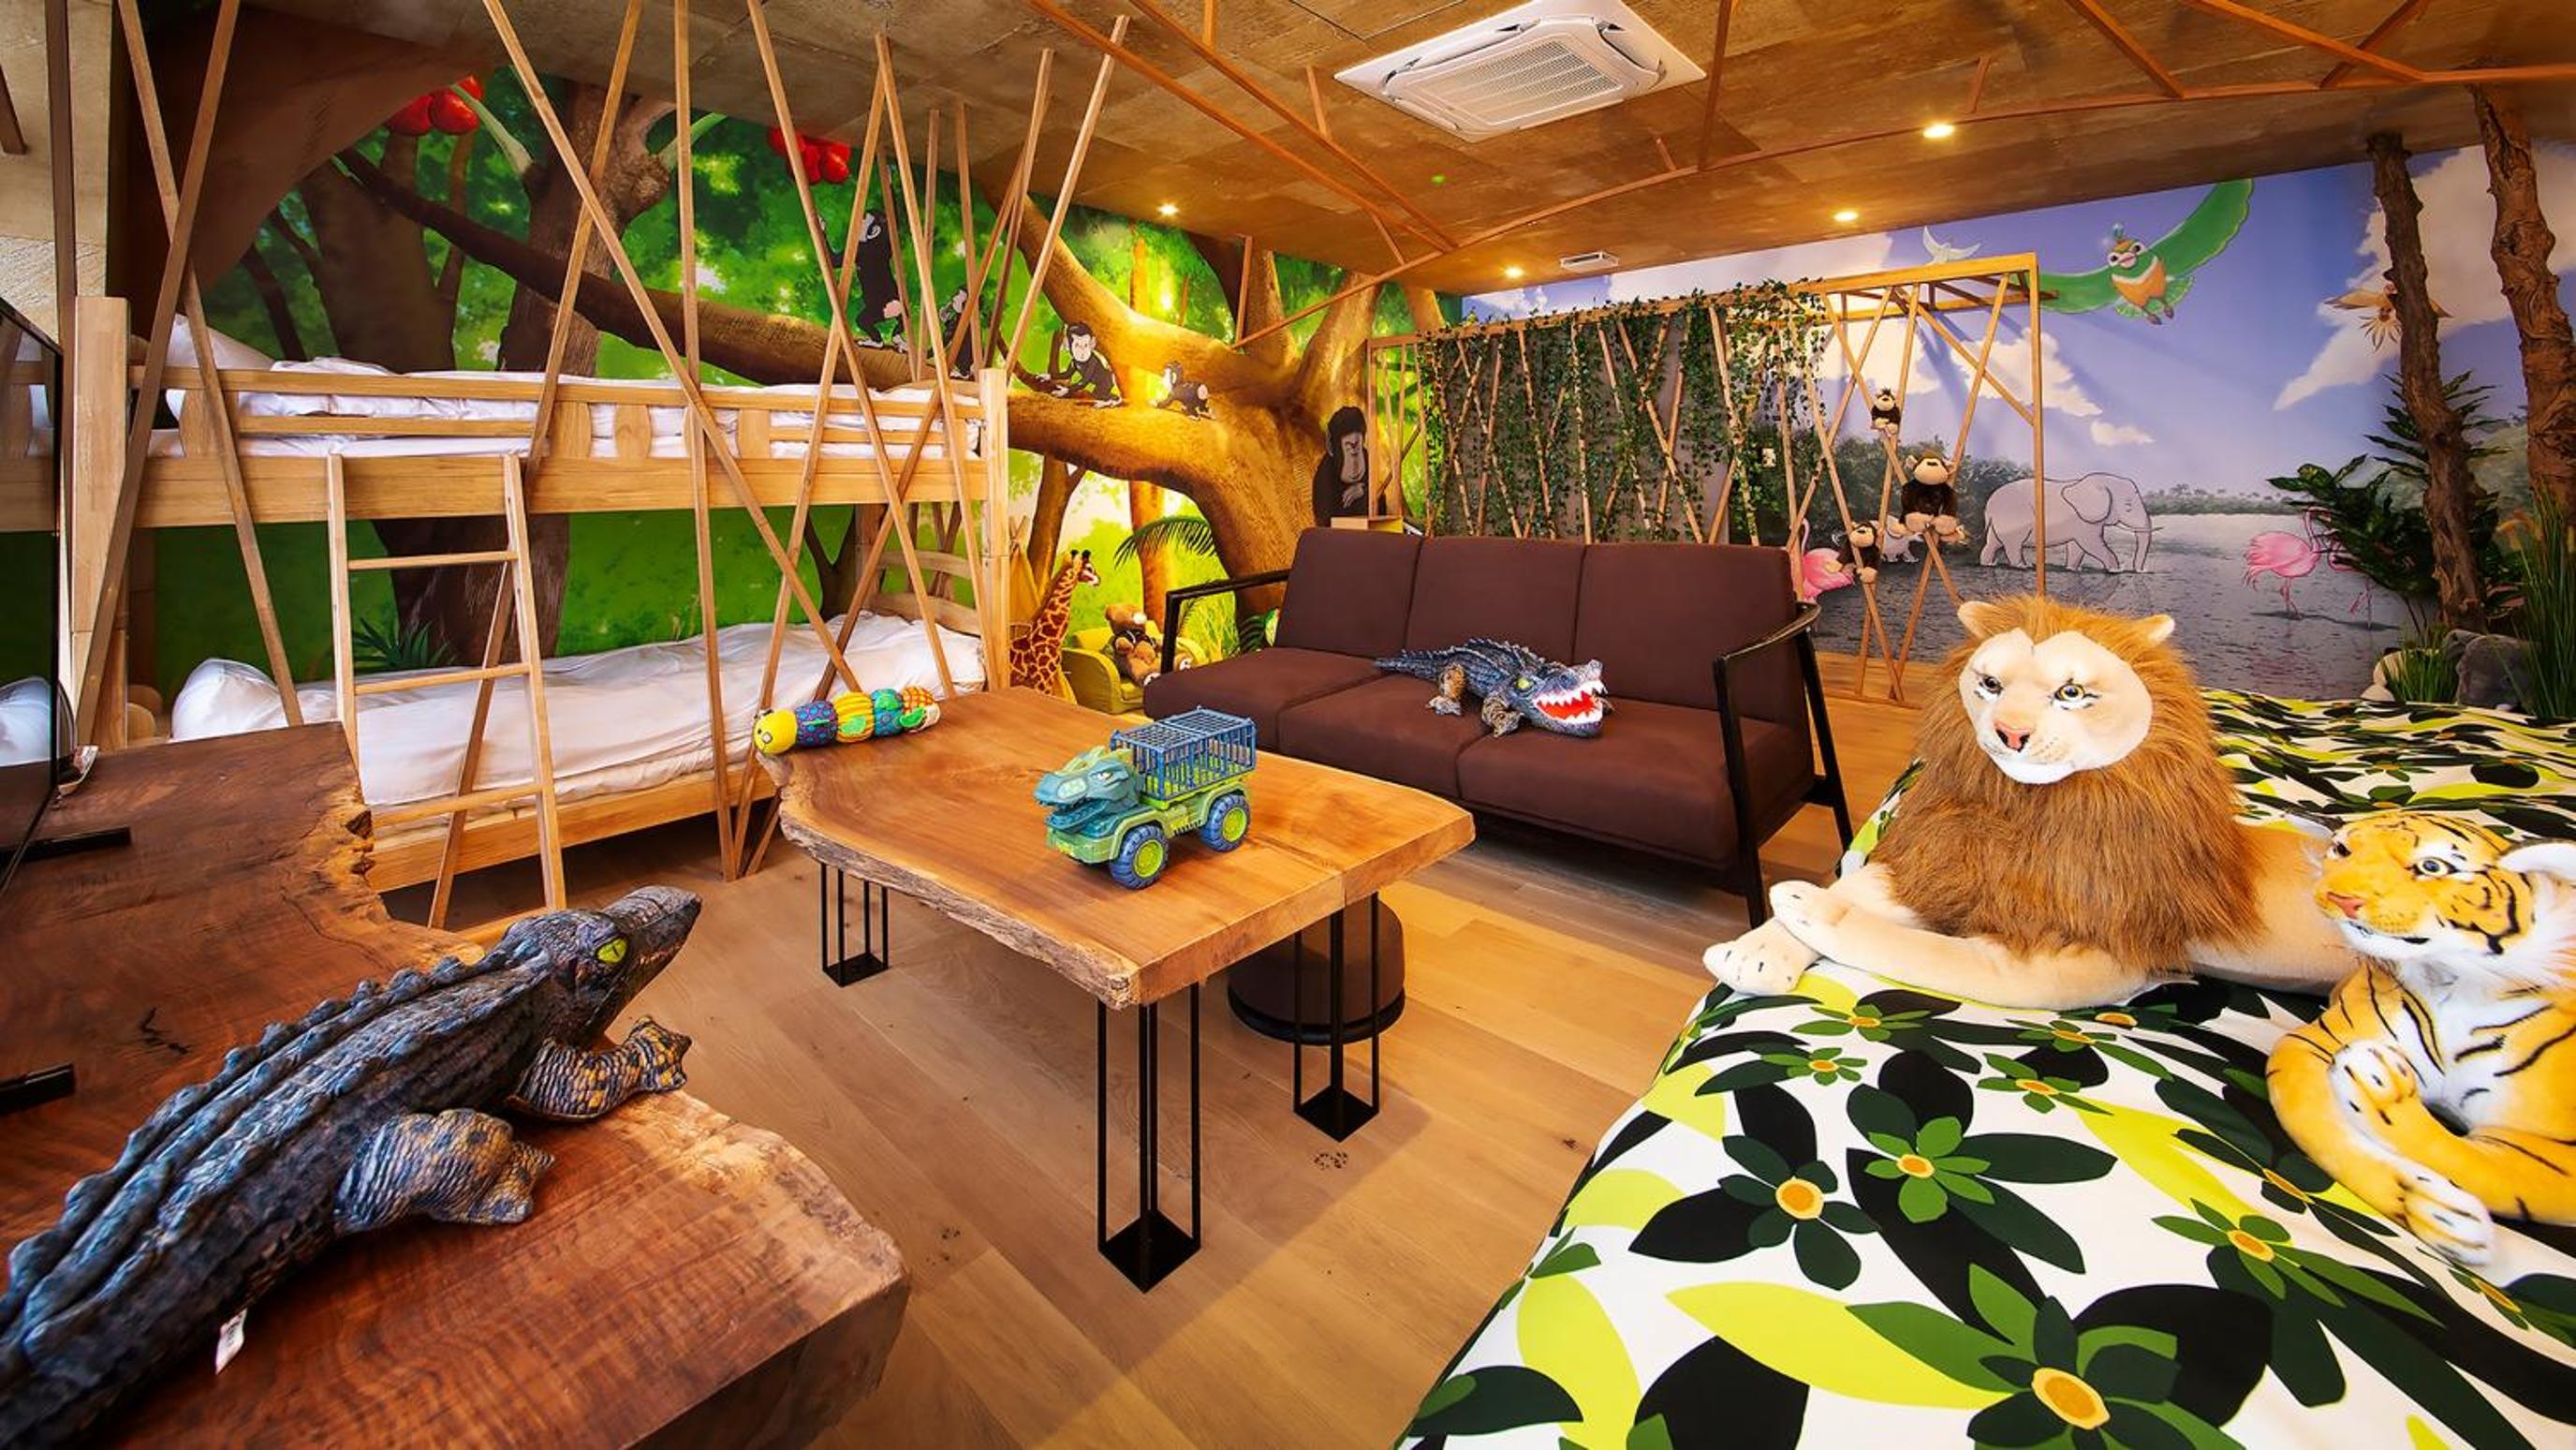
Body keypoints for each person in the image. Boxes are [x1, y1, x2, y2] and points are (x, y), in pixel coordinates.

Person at [1310, 406, 1368, 525]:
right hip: (1338, 531)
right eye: (1349, 447)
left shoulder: (1367, 458)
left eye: (1357, 445)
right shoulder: (1326, 473)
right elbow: (1324, 520)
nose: (1354, 460)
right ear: (1333, 450)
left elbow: (1380, 502)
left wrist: (1364, 491)